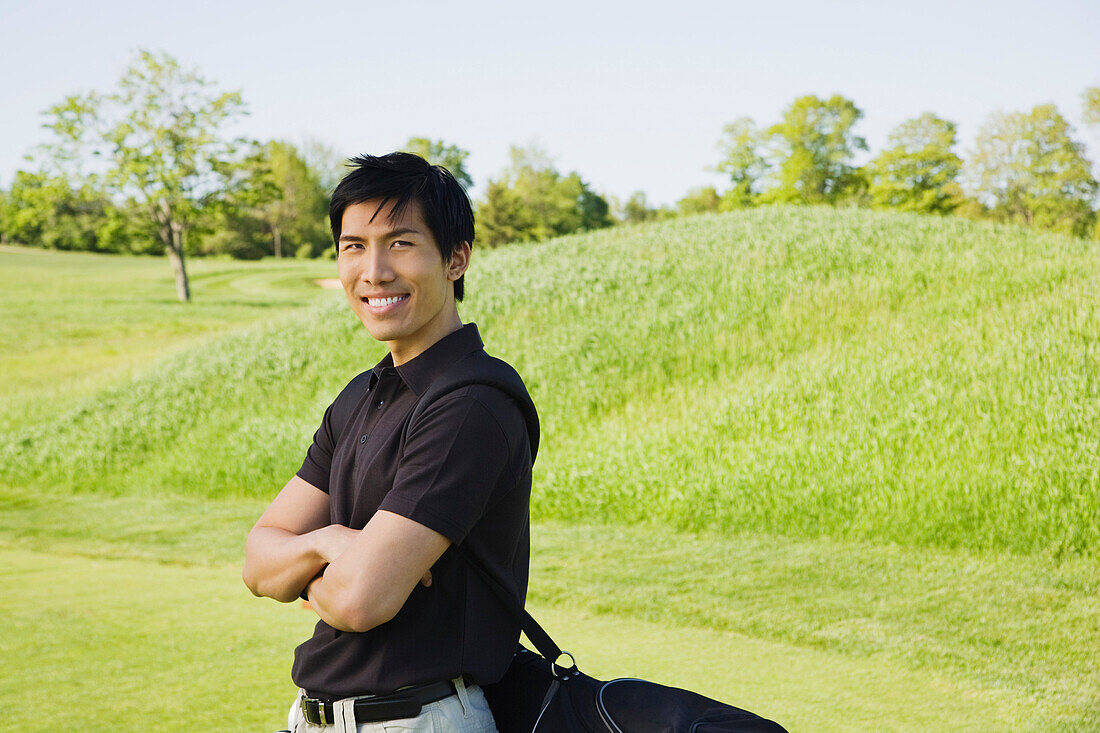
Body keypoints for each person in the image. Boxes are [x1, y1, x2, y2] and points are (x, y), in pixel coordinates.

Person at [243, 152, 535, 733]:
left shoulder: (470, 405)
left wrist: (310, 571)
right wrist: (331, 543)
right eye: (353, 246)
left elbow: (360, 602)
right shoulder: (362, 395)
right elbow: (257, 562)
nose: (373, 271)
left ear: (456, 259)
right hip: (318, 716)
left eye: (400, 243)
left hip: (416, 718)